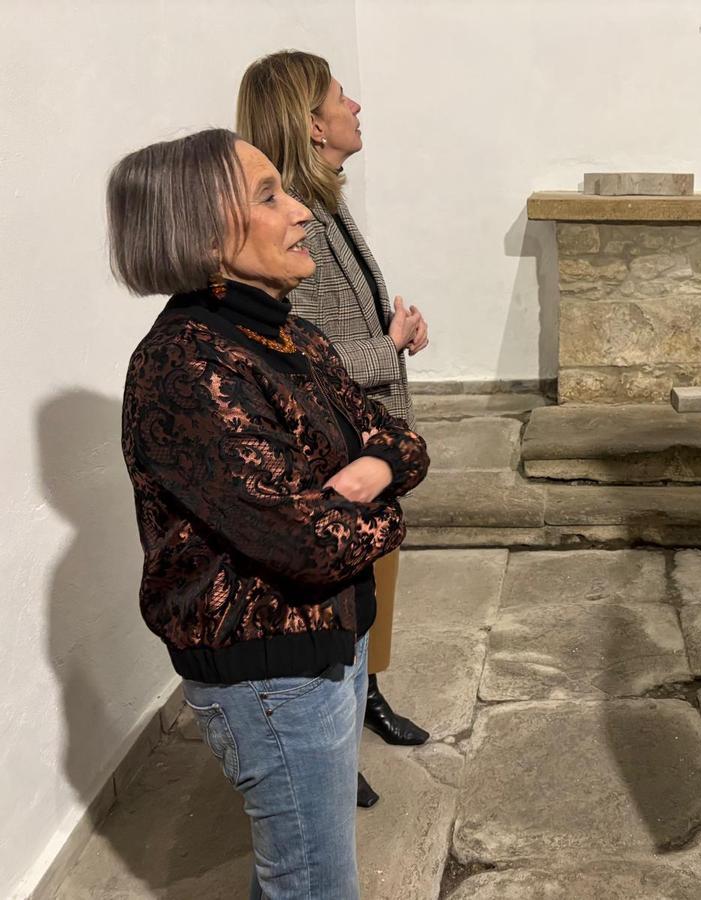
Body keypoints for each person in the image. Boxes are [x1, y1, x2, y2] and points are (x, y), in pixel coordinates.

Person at [111, 128, 429, 897]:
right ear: (202, 231)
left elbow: (405, 442)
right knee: (315, 884)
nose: (302, 213)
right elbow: (310, 542)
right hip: (272, 674)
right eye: (268, 196)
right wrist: (381, 509)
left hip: (332, 640)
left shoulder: (291, 333)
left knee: (306, 873)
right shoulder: (187, 364)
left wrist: (372, 473)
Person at [236, 51, 430, 807]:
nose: (358, 106)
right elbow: (292, 358)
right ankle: (330, 740)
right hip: (336, 451)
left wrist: (393, 330)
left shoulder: (328, 202)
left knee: (374, 583)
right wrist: (388, 345)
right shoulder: (289, 229)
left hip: (368, 435)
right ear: (314, 124)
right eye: (343, 97)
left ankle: (366, 693)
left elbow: (328, 330)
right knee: (336, 597)